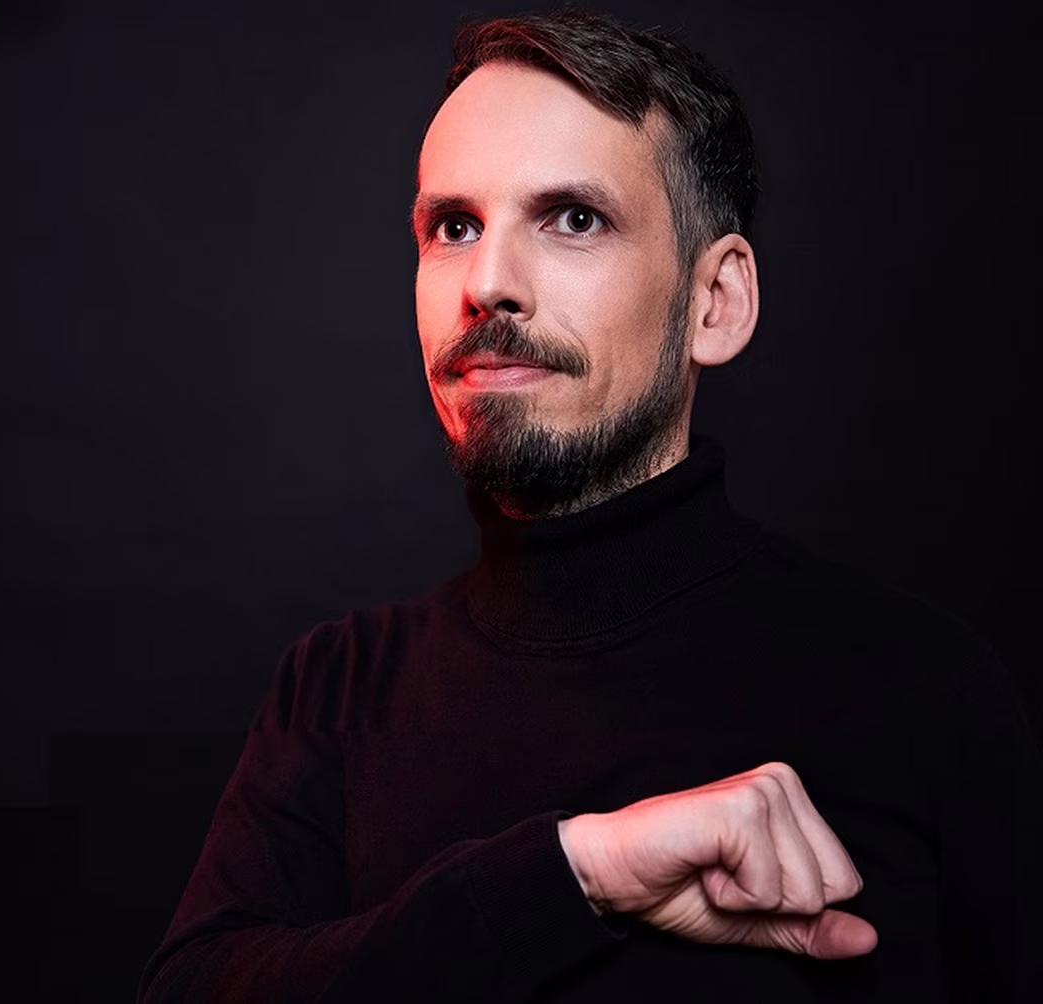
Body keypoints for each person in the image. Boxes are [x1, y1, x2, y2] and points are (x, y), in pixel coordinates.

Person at [136, 10, 1043, 1002]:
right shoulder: (337, 687)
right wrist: (579, 872)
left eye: (574, 217)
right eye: (454, 226)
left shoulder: (926, 693)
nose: (487, 284)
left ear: (715, 302)